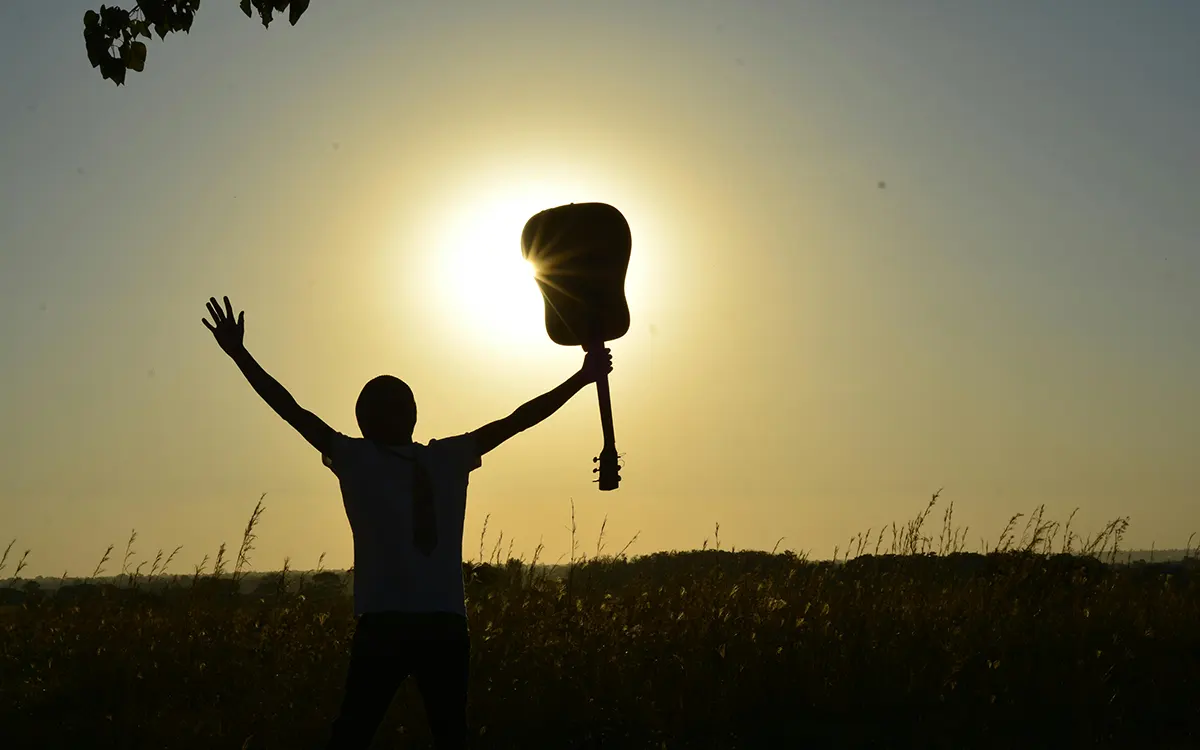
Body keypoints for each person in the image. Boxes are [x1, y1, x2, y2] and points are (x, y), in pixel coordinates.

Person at [201, 295, 612, 749]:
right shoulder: (439, 457)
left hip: (396, 623)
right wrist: (581, 377)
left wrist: (240, 355)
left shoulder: (365, 457)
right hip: (434, 623)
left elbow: (291, 410)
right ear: (408, 415)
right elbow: (517, 420)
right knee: (437, 735)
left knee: (360, 734)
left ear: (363, 421)